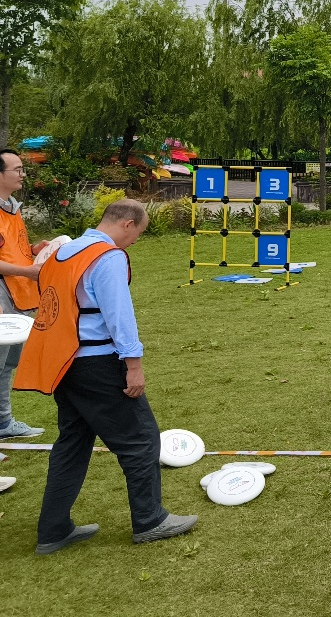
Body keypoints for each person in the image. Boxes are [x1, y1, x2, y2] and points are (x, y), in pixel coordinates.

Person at [14, 198, 198, 554]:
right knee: (141, 440)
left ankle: (53, 530)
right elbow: (119, 315)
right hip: (97, 363)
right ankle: (150, 521)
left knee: (72, 443)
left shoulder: (61, 253)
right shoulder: (107, 256)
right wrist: (133, 364)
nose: (136, 241)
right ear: (127, 224)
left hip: (63, 364)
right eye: (138, 233)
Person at [0, 148, 48, 442]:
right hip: (3, 293)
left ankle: (3, 422)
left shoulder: (11, 208)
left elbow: (10, 250)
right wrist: (28, 271)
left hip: (18, 292)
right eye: (17, 169)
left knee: (8, 362)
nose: (23, 174)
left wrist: (32, 251)